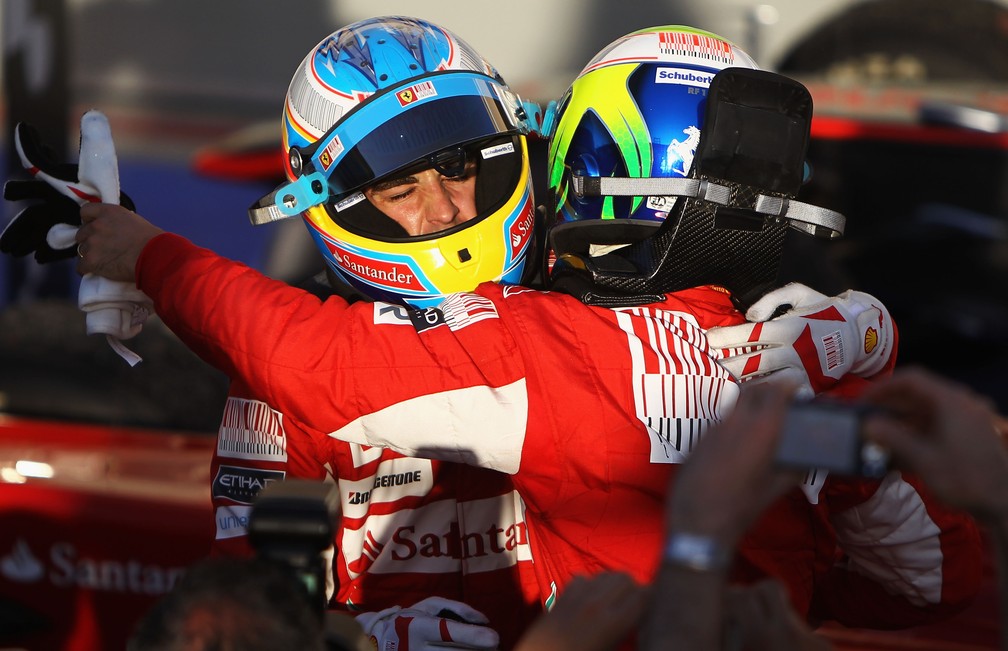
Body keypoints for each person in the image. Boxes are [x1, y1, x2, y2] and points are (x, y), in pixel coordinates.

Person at [32, 22, 984, 640]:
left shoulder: (617, 312)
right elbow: (260, 607)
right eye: (398, 190)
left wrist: (858, 362)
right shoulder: (279, 377)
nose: (442, 211)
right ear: (326, 209)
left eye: (467, 169)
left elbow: (883, 586)